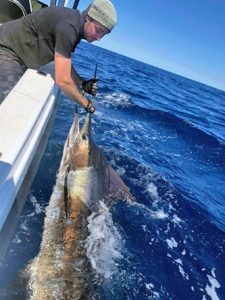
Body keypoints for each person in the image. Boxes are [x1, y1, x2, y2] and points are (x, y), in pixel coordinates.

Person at [0, 0, 117, 113]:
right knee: (10, 104)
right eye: (98, 30)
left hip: (17, 54)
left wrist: (82, 83)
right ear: (88, 17)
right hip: (6, 48)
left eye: (103, 34)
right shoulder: (69, 28)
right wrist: (86, 104)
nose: (99, 38)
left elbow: (65, 64)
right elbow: (63, 81)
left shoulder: (75, 26)